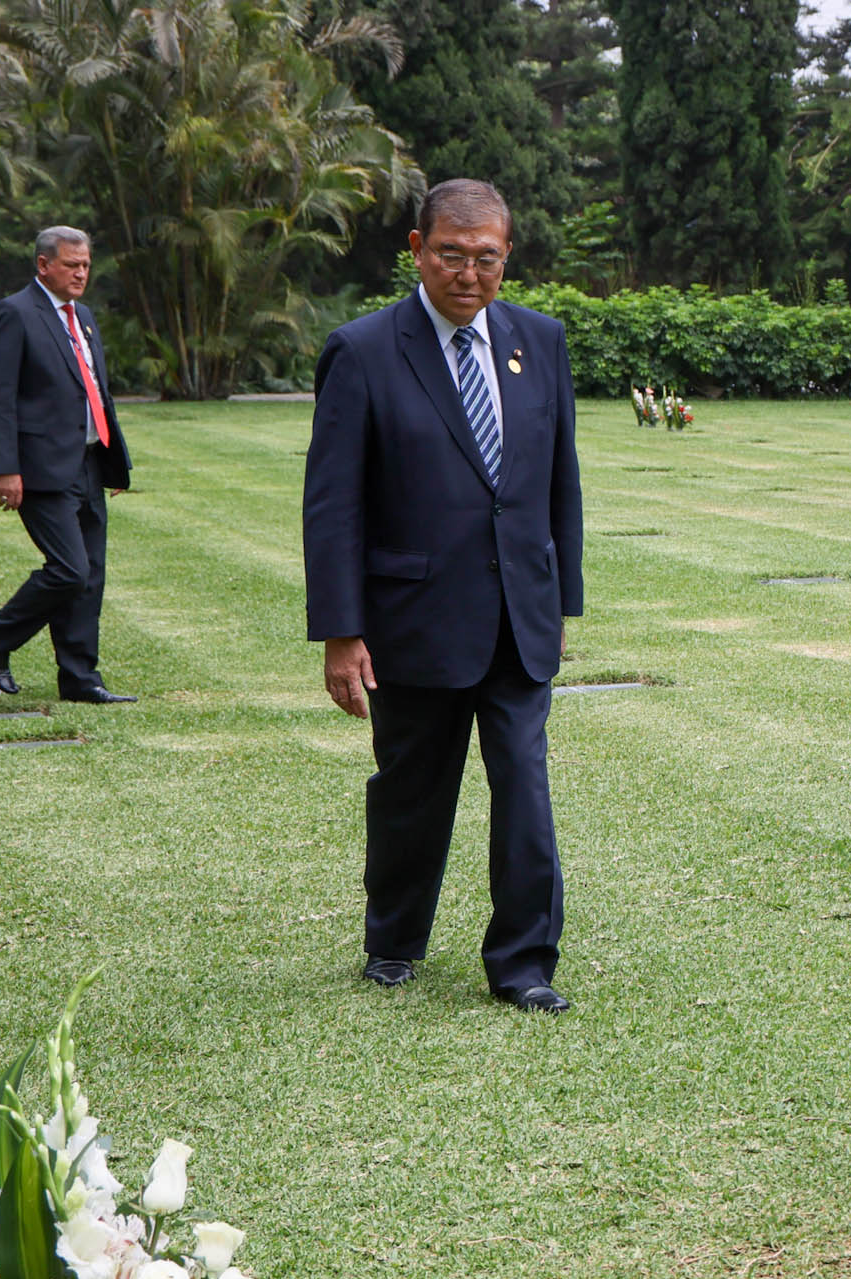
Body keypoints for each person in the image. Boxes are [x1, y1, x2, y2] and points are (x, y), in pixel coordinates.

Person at [303, 179, 584, 1012]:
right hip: (412, 622)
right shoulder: (362, 351)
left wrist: (561, 603)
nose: (468, 273)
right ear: (418, 250)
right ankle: (393, 938)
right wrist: (341, 632)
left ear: (507, 256)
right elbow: (334, 504)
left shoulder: (541, 341)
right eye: (451, 255)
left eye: (486, 257)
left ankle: (526, 964)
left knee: (524, 788)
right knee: (411, 791)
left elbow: (556, 483)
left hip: (516, 620)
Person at [0, 226, 136, 703]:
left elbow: (94, 388)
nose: (81, 273)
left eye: (85, 265)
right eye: (71, 264)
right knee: (69, 570)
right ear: (44, 265)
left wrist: (110, 458)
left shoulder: (81, 315)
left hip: (87, 462)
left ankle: (80, 679)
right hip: (40, 467)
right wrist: (5, 469)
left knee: (90, 575)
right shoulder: (14, 314)